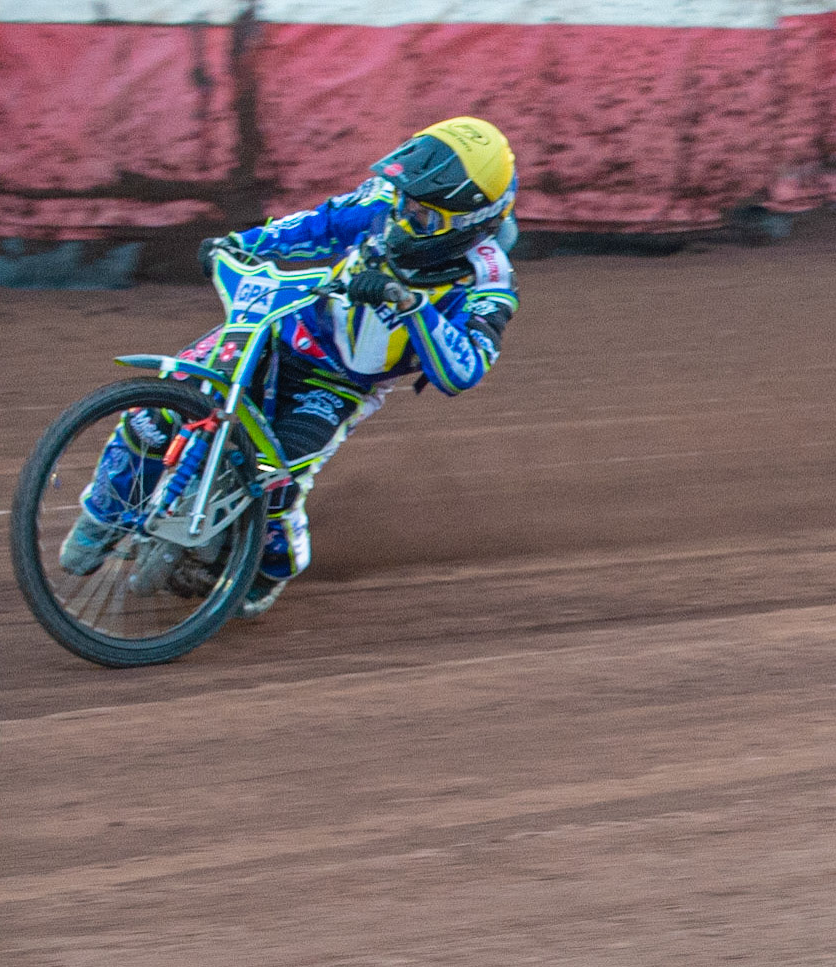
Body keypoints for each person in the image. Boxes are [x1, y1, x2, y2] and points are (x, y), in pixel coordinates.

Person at [59, 116, 520, 617]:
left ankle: (264, 570)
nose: (405, 215)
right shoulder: (383, 202)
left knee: (275, 477)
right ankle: (103, 516)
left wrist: (411, 305)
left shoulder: (489, 279)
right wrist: (243, 244)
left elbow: (466, 369)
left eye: (424, 213)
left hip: (339, 384)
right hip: (281, 327)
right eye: (406, 198)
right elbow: (318, 225)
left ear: (468, 221)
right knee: (162, 407)